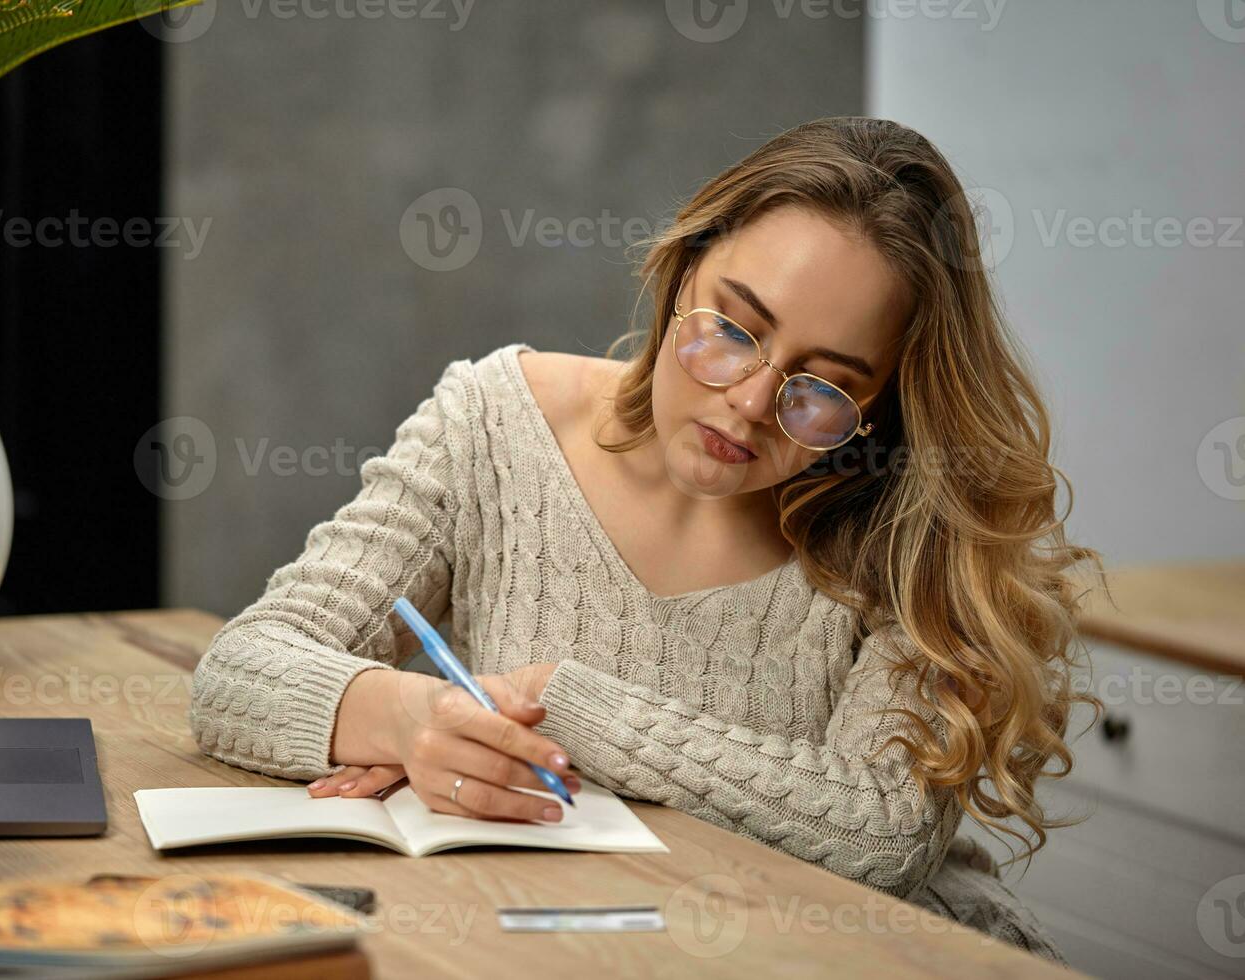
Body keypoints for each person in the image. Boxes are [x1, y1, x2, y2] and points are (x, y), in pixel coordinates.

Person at [190, 116, 1105, 963]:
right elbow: (241, 672)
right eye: (734, 328)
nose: (751, 401)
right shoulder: (494, 427)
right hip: (572, 945)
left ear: (880, 407)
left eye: (822, 388)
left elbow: (880, 836)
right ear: (680, 275)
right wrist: (415, 720)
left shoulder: (899, 528)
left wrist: (562, 707)